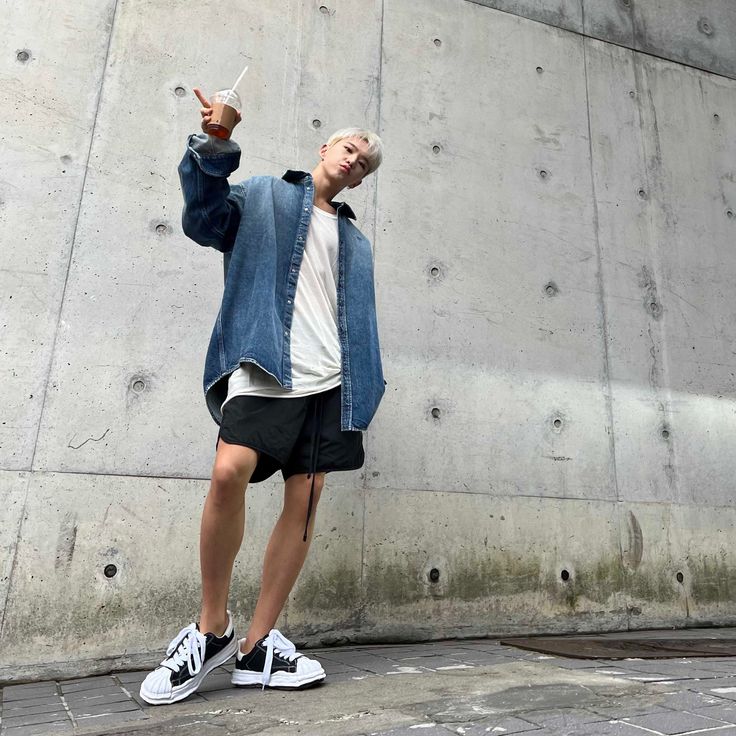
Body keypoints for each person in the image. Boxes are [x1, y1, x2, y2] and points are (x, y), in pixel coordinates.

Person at [139, 88, 386, 705]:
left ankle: (257, 645)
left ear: (360, 180)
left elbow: (352, 319)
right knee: (230, 471)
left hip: (335, 379)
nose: (355, 159)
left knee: (304, 502)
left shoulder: (357, 243)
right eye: (350, 147)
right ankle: (212, 628)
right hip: (267, 362)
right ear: (324, 148)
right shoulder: (268, 196)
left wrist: (365, 383)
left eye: (365, 162)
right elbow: (205, 221)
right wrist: (216, 146)